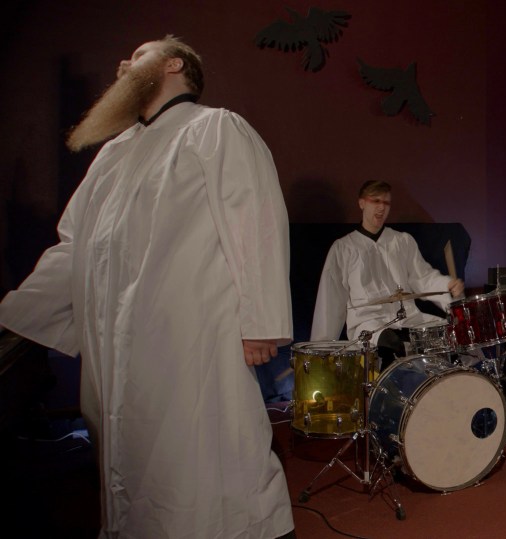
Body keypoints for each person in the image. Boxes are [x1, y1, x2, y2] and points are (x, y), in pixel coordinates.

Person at [0, 36, 295, 537]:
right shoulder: (114, 153)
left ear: (174, 63)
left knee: (199, 453)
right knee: (131, 457)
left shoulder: (213, 128)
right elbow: (75, 246)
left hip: (191, 332)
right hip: (118, 345)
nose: (123, 63)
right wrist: (15, 316)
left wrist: (261, 322)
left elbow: (255, 221)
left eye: (138, 56)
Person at [310, 180, 464, 368]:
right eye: (375, 201)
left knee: (447, 333)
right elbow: (330, 300)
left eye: (386, 203)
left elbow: (422, 277)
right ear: (361, 203)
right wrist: (322, 350)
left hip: (408, 319)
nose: (381, 208)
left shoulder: (402, 241)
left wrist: (447, 285)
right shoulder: (344, 248)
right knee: (391, 343)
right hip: (369, 324)